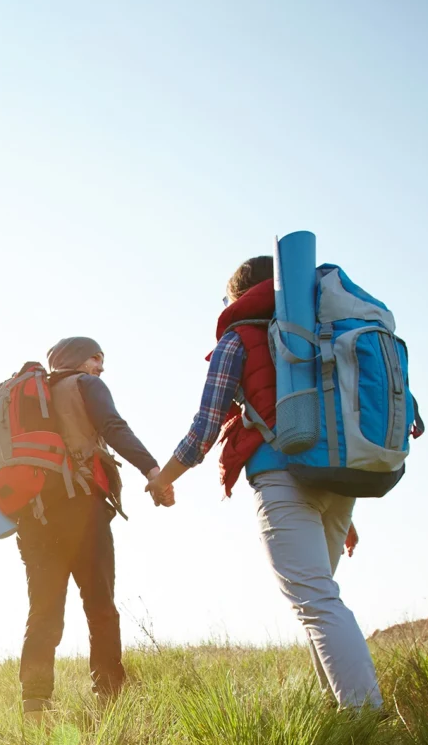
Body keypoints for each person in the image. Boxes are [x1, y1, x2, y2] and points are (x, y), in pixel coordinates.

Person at [147, 257, 382, 708]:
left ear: (238, 297)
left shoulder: (238, 338)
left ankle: (367, 718)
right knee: (320, 603)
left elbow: (204, 429)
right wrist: (342, 509)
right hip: (338, 480)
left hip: (283, 478)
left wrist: (163, 478)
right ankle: (339, 714)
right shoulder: (320, 333)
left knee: (316, 603)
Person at [18, 336, 173, 724]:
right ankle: (109, 699)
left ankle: (34, 710)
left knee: (43, 613)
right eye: (96, 359)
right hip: (81, 510)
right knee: (100, 607)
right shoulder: (84, 385)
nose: (100, 368)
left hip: (33, 519)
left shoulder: (28, 399)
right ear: (76, 361)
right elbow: (113, 427)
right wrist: (154, 471)